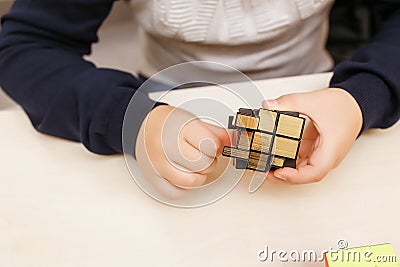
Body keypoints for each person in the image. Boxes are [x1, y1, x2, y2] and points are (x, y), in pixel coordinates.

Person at [0, 0, 398, 188]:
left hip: (319, 97)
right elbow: (24, 47)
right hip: (162, 105)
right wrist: (131, 117)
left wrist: (364, 93)